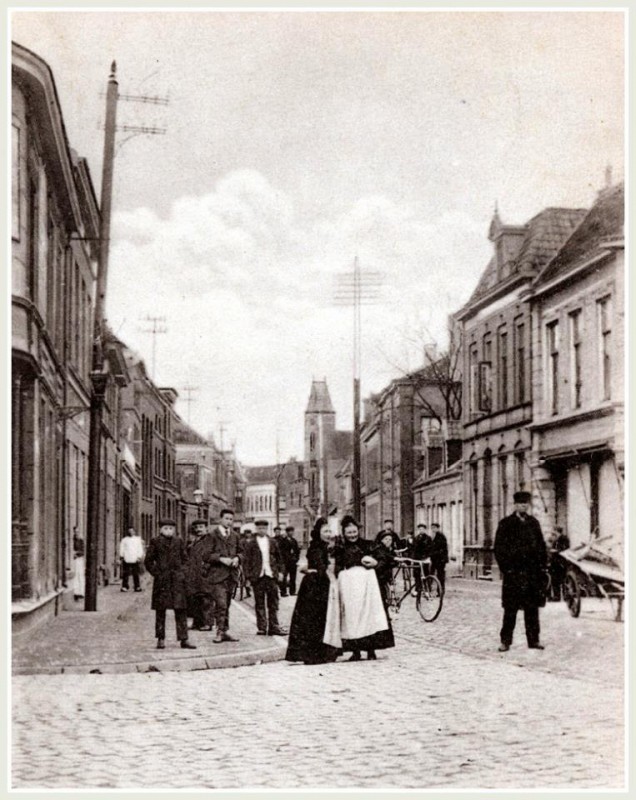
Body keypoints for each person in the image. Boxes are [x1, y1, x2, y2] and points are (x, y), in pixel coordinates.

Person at [334, 515, 394, 661]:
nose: (352, 535)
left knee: (369, 616)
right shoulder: (340, 548)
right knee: (352, 617)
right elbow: (337, 566)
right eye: (349, 533)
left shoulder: (369, 545)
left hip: (368, 588)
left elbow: (386, 559)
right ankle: (355, 651)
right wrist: (341, 574)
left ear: (358, 531)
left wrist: (375, 564)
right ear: (344, 533)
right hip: (350, 589)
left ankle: (371, 650)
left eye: (354, 532)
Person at [494, 491, 548, 652]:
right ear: (515, 505)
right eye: (521, 503)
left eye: (526, 503)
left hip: (532, 575)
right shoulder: (505, 524)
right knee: (510, 610)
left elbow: (541, 547)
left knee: (532, 610)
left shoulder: (534, 523)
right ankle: (505, 641)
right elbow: (499, 549)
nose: (524, 506)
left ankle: (533, 640)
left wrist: (542, 567)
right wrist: (507, 570)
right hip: (513, 575)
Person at [286, 517, 341, 665]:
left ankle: (316, 652)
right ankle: (313, 654)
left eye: (329, 531)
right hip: (315, 586)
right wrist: (327, 575)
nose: (328, 534)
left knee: (317, 618)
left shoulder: (322, 546)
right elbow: (319, 567)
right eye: (325, 531)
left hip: (317, 583)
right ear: (318, 532)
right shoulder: (317, 547)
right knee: (314, 619)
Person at [144, 519, 196, 650]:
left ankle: (184, 639)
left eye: (171, 528)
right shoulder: (155, 542)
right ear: (160, 529)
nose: (168, 531)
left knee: (181, 610)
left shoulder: (179, 542)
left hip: (178, 581)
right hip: (162, 581)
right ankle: (160, 639)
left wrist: (182, 573)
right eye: (166, 528)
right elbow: (148, 561)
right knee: (160, 611)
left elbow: (185, 560)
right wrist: (157, 573)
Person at [242, 520, 288, 636]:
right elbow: (246, 562)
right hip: (258, 577)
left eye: (264, 528)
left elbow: (279, 559)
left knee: (273, 602)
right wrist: (248, 577)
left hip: (271, 575)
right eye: (259, 528)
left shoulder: (272, 542)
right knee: (259, 602)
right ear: (256, 529)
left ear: (267, 529)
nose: (261, 530)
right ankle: (262, 627)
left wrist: (281, 572)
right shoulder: (251, 543)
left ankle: (274, 626)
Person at [208, 508, 241, 643]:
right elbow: (206, 555)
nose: (229, 522)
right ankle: (220, 631)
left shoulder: (235, 536)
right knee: (220, 604)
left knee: (227, 604)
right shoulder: (212, 535)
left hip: (231, 576)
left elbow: (241, 551)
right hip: (217, 575)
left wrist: (237, 558)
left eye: (231, 519)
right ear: (221, 519)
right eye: (226, 519)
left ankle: (225, 630)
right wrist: (221, 559)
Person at [186, 520, 215, 631]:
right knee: (195, 598)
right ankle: (197, 622)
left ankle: (208, 623)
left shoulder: (209, 540)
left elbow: (210, 555)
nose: (198, 529)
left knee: (206, 599)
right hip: (194, 574)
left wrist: (206, 567)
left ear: (206, 528)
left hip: (205, 573)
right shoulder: (194, 541)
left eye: (201, 527)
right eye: (196, 527)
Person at [372, 531, 399, 607]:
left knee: (387, 593)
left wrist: (397, 561)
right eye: (386, 539)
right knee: (382, 595)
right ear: (381, 540)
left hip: (387, 575)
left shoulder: (390, 550)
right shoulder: (379, 549)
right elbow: (385, 558)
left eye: (390, 540)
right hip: (379, 575)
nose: (388, 541)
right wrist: (394, 559)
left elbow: (393, 560)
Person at [548, 526, 570, 601]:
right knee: (554, 580)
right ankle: (557, 596)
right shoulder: (555, 539)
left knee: (563, 579)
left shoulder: (564, 539)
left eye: (554, 532)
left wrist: (556, 551)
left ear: (557, 531)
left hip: (561, 562)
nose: (553, 533)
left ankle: (565, 596)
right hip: (555, 562)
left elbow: (565, 549)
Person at [119, 527, 145, 593]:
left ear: (134, 532)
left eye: (132, 531)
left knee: (135, 573)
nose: (131, 532)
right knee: (126, 573)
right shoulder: (124, 540)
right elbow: (122, 548)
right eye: (129, 531)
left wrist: (139, 557)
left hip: (135, 558)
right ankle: (125, 586)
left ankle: (137, 586)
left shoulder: (137, 539)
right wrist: (122, 556)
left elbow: (140, 548)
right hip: (127, 558)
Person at [412, 523, 433, 591]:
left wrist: (428, 557)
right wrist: (413, 558)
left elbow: (430, 548)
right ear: (418, 530)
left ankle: (427, 588)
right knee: (417, 574)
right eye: (420, 529)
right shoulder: (416, 538)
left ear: (425, 530)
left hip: (425, 558)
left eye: (423, 529)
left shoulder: (428, 538)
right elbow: (414, 549)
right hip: (417, 559)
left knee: (426, 574)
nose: (421, 530)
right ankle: (418, 588)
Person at [429, 523, 449, 594]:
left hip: (440, 560)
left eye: (434, 528)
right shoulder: (434, 536)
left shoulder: (441, 536)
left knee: (440, 575)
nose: (433, 529)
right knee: (431, 573)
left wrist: (432, 553)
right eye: (432, 528)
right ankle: (429, 589)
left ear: (438, 528)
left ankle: (440, 591)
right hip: (435, 559)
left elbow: (441, 549)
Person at [283, 526, 301, 596]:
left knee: (293, 577)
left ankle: (292, 591)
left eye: (292, 531)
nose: (291, 533)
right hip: (286, 562)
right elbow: (281, 551)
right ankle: (283, 592)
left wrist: (296, 558)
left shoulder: (294, 541)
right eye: (290, 531)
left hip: (293, 562)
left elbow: (297, 551)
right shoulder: (283, 541)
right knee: (284, 577)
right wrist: (285, 559)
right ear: (287, 532)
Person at [72, 530, 85, 602]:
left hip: (79, 559)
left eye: (78, 532)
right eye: (75, 532)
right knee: (76, 575)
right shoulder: (72, 541)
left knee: (80, 575)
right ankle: (76, 592)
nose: (76, 533)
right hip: (74, 560)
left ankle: (81, 592)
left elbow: (83, 551)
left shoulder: (81, 541)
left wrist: (76, 553)